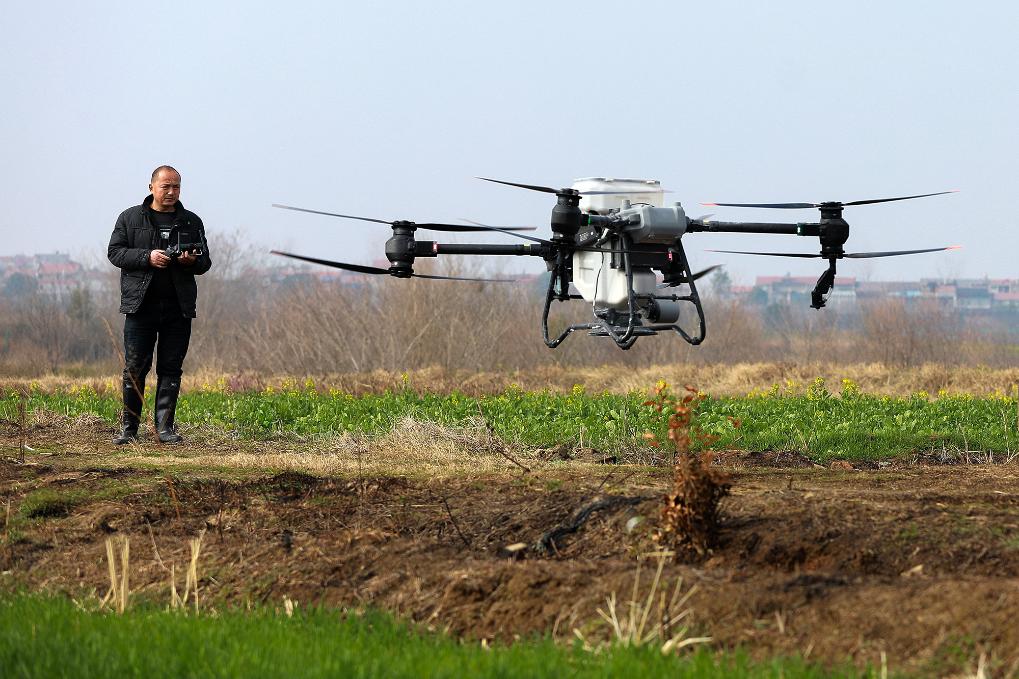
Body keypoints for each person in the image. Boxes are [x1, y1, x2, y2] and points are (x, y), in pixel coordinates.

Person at [107, 166, 212, 444]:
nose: (171, 192)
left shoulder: (191, 221)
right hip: (140, 307)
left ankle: (164, 429)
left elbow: (205, 262)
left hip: (178, 308)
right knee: (135, 368)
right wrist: (147, 257)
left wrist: (192, 261)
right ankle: (129, 430)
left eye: (176, 187)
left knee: (171, 368)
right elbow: (115, 253)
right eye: (165, 186)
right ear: (151, 186)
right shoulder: (129, 218)